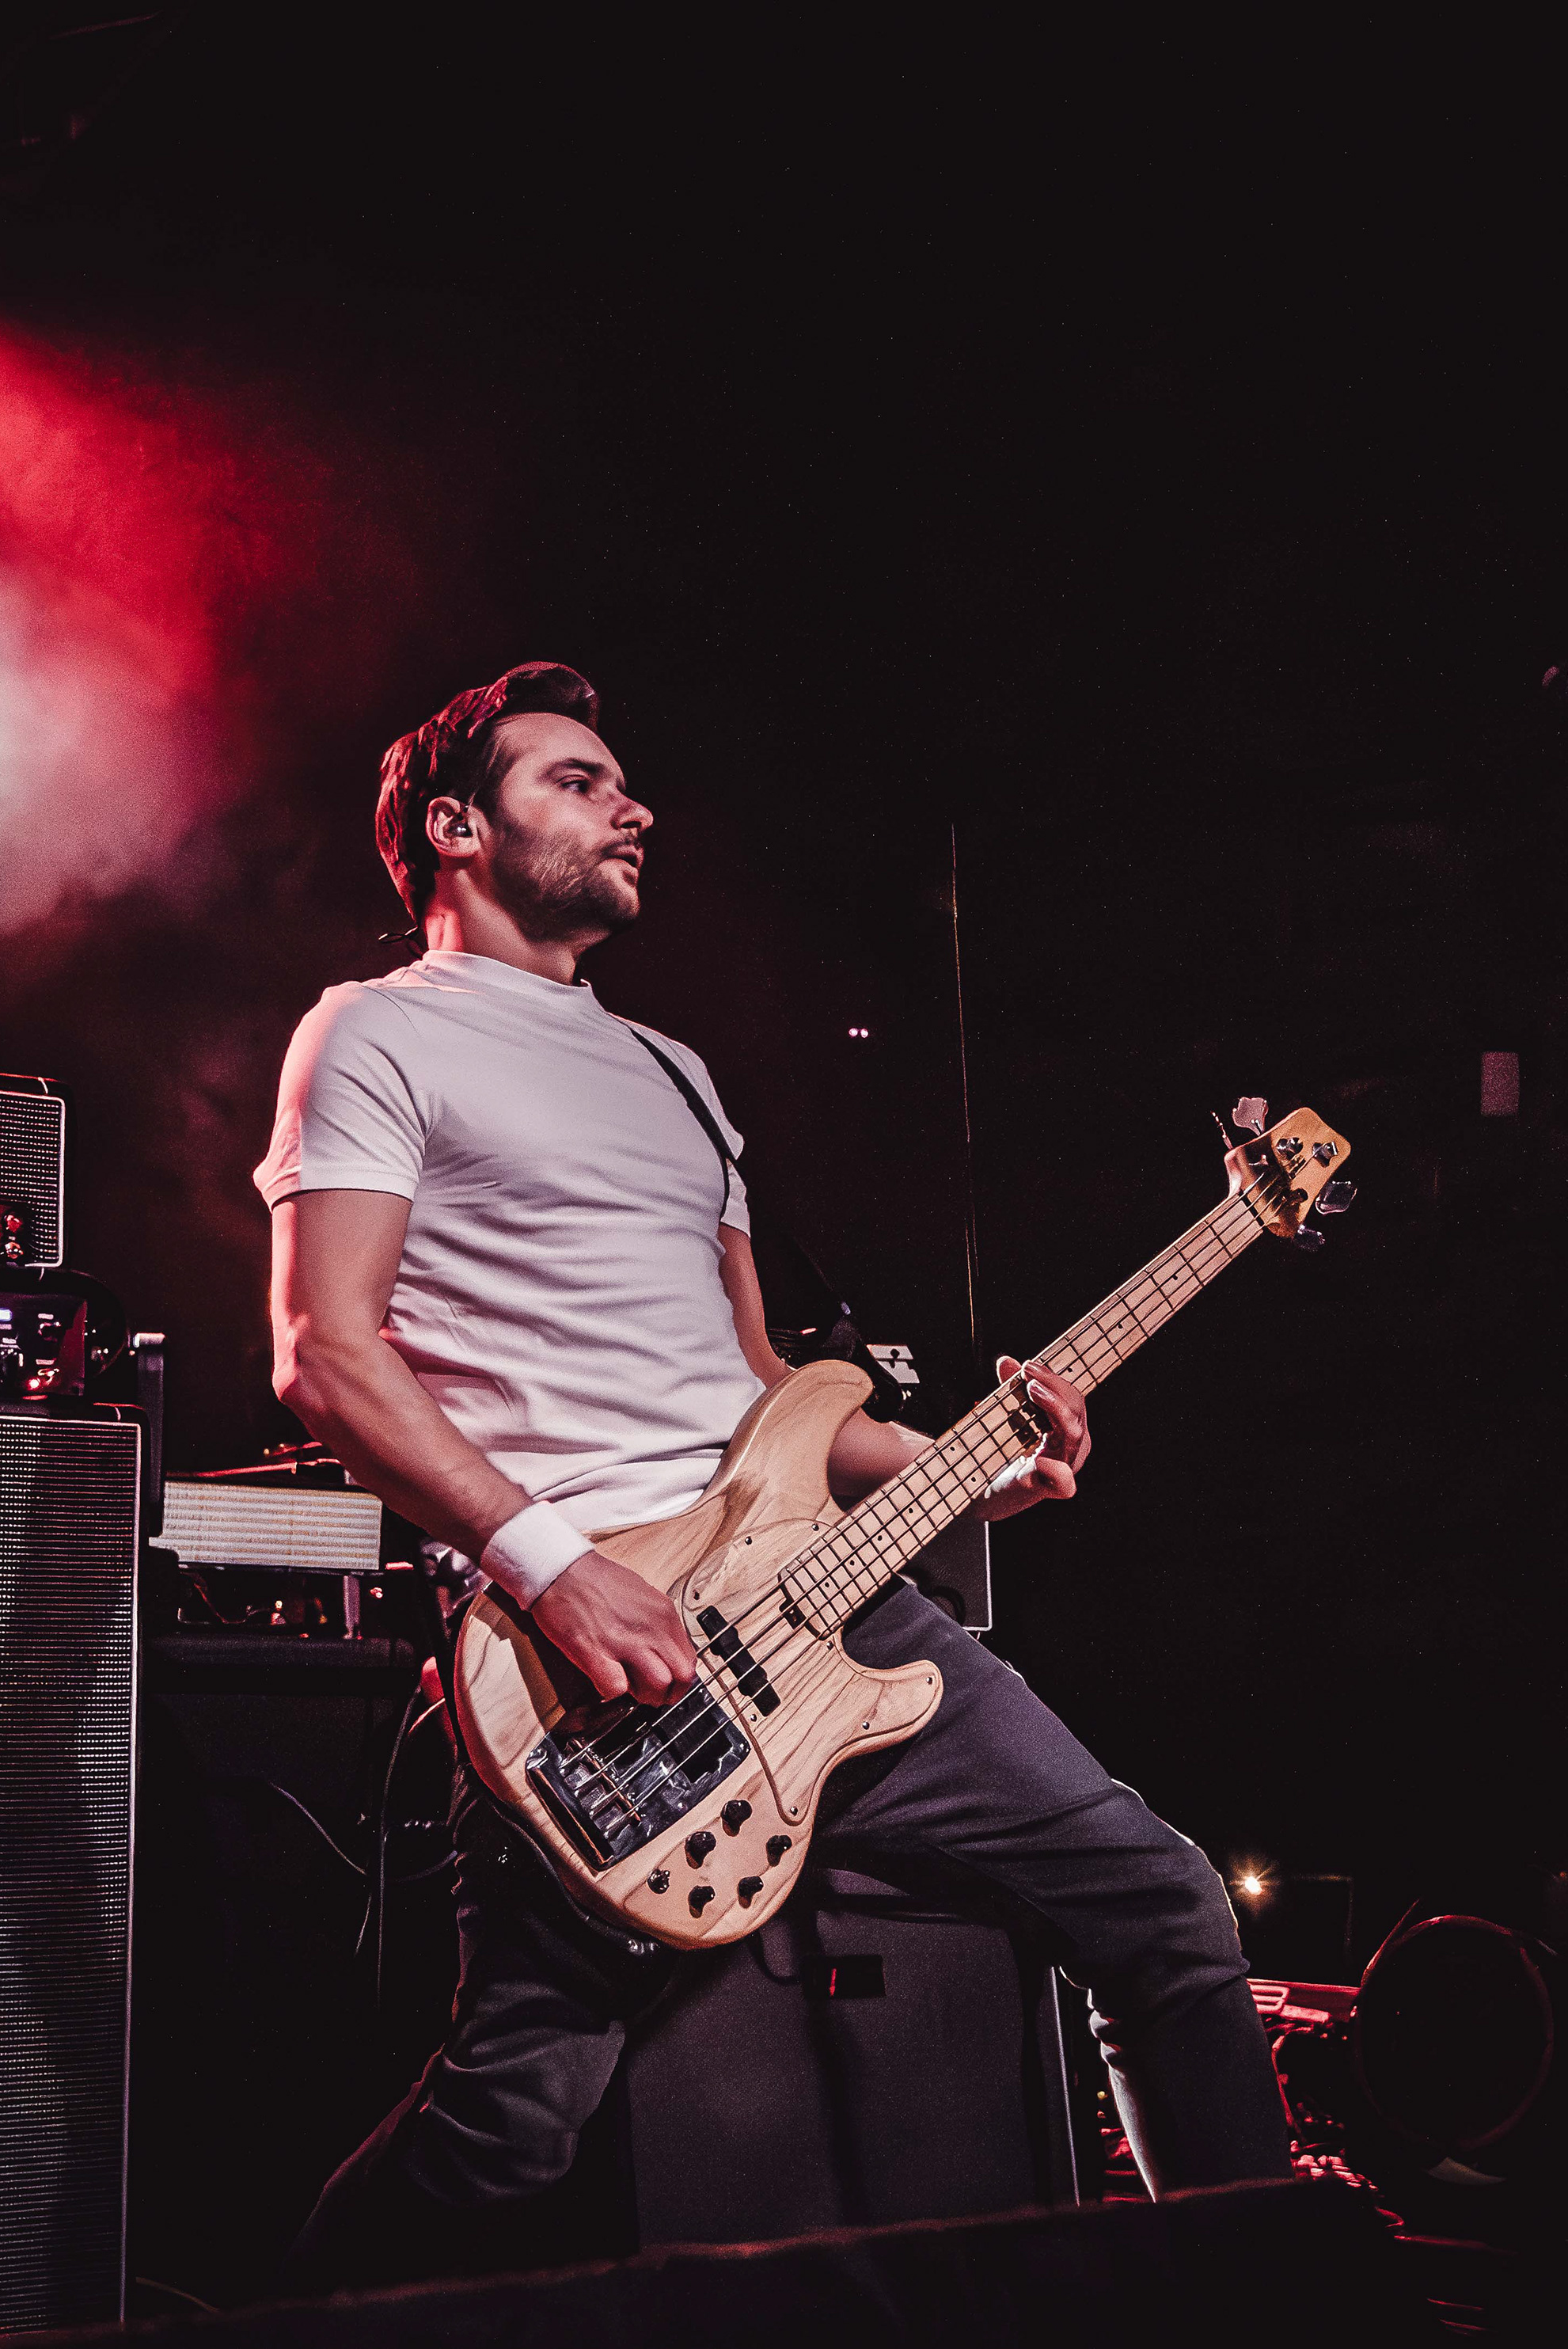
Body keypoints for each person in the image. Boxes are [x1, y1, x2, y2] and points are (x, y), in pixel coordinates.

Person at [256, 662, 1290, 2286]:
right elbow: (324, 1351)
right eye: (578, 781)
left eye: (624, 783)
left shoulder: (677, 1074)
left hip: (830, 1616)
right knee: (516, 2118)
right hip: (594, 1653)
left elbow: (765, 1399)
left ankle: (1261, 2300)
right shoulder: (375, 1033)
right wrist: (552, 1567)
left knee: (1165, 1908)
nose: (632, 808)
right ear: (455, 828)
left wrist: (978, 1467)